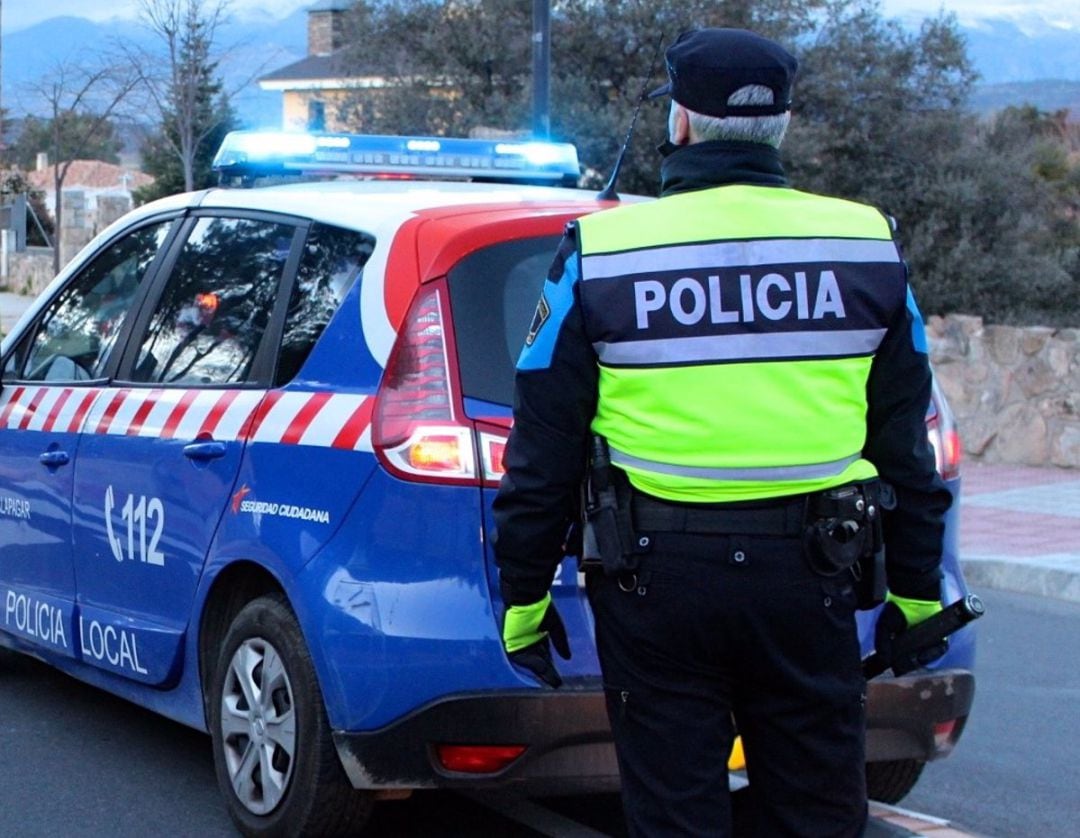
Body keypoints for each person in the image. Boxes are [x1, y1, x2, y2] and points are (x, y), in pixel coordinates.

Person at [492, 27, 952, 837]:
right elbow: (905, 449)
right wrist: (915, 597)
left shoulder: (601, 250)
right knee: (816, 812)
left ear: (679, 121)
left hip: (657, 583)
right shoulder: (864, 242)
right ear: (782, 126)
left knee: (676, 815)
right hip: (812, 578)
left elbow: (544, 447)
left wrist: (524, 599)